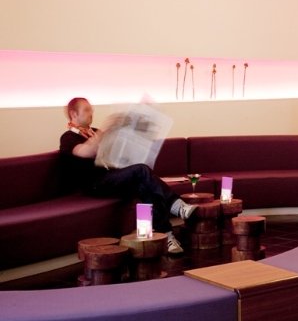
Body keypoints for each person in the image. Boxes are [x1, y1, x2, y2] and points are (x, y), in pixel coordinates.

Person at [58, 97, 196, 254]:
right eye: (87, 110)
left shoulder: (94, 132)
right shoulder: (68, 137)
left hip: (111, 177)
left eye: (91, 110)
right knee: (142, 171)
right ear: (74, 114)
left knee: (145, 186)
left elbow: (116, 150)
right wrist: (105, 130)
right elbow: (86, 151)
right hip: (94, 184)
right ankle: (176, 205)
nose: (91, 113)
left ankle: (166, 236)